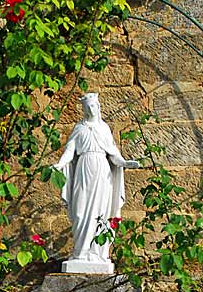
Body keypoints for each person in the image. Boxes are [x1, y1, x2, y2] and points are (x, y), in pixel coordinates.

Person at [52, 93, 140, 273]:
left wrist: (124, 163)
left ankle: (98, 252)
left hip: (102, 173)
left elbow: (113, 153)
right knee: (80, 211)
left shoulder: (104, 128)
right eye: (88, 107)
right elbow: (70, 151)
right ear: (84, 109)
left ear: (98, 107)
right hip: (84, 170)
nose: (91, 109)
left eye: (94, 106)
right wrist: (59, 164)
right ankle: (80, 252)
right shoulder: (79, 128)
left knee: (101, 212)